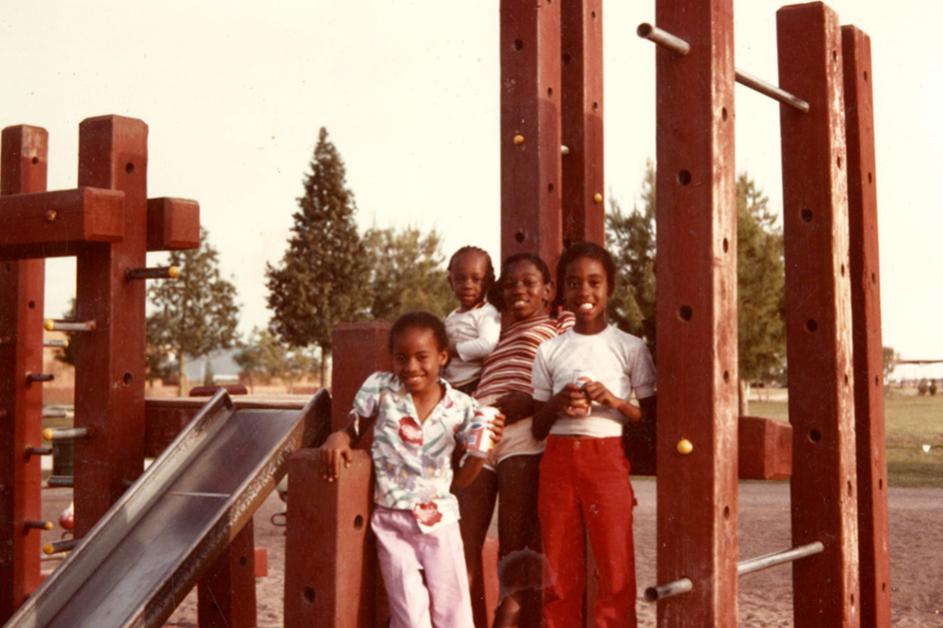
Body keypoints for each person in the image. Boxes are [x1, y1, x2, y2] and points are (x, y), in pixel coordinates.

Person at [320, 311, 505, 628]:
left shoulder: (462, 407)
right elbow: (353, 427)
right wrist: (339, 436)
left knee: (454, 611)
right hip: (392, 522)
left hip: (440, 523)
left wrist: (481, 451)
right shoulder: (382, 389)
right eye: (401, 358)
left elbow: (463, 478)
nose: (411, 367)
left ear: (442, 356)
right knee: (409, 614)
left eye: (422, 357)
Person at [531, 242, 656, 627]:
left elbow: (648, 420)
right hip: (558, 457)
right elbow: (537, 426)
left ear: (609, 288)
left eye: (594, 282)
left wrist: (615, 401)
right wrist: (557, 402)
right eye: (573, 282)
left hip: (607, 458)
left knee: (615, 567)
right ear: (561, 291)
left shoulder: (630, 347)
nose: (584, 292)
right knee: (558, 567)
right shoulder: (549, 350)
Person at [457, 252, 573, 627]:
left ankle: (504, 620)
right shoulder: (497, 331)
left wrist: (536, 402)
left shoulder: (557, 326)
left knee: (514, 540)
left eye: (528, 283)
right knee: (463, 538)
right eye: (509, 285)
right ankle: (458, 617)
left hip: (522, 431)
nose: (518, 290)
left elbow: (574, 367)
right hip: (482, 424)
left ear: (548, 292)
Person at [443, 246, 501, 394]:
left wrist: (453, 350)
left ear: (489, 281)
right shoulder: (452, 316)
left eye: (476, 279)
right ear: (451, 282)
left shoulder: (487, 313)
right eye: (460, 279)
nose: (468, 285)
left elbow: (487, 344)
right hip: (449, 385)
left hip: (472, 383)